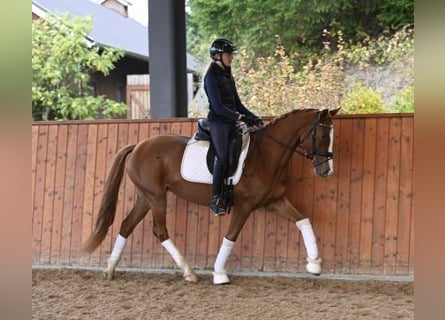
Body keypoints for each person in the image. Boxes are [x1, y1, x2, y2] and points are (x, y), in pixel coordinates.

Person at [203, 37, 263, 216]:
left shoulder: (228, 75)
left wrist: (252, 117)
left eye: (230, 55)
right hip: (218, 121)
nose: (231, 58)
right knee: (222, 156)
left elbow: (237, 103)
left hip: (231, 120)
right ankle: (215, 199)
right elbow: (219, 106)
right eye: (228, 54)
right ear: (217, 56)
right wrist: (240, 117)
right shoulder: (211, 76)